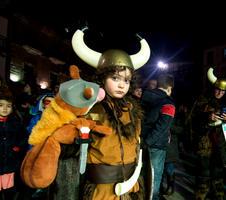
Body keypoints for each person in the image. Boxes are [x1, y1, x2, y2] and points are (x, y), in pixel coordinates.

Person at [71, 28, 151, 199]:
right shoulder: (91, 108)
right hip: (102, 190)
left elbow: (136, 144)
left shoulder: (132, 109)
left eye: (126, 80)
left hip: (131, 187)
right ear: (103, 78)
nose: (122, 85)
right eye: (115, 78)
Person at [189, 66, 226, 200]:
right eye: (217, 89)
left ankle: (218, 196)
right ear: (213, 88)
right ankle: (200, 196)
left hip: (222, 144)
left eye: (222, 91)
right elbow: (191, 120)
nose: (219, 93)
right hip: (204, 143)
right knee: (203, 173)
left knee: (218, 174)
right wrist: (207, 117)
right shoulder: (202, 101)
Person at [0, 93, 27, 199]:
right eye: (1, 105)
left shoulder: (15, 122)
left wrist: (17, 147)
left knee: (9, 191)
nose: (5, 108)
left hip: (9, 163)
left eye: (8, 106)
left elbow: (23, 138)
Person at [141, 73, 176, 200]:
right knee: (154, 181)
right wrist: (148, 142)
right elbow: (162, 127)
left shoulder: (143, 97)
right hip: (156, 147)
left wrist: (142, 142)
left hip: (139, 142)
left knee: (140, 177)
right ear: (169, 87)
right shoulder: (168, 103)